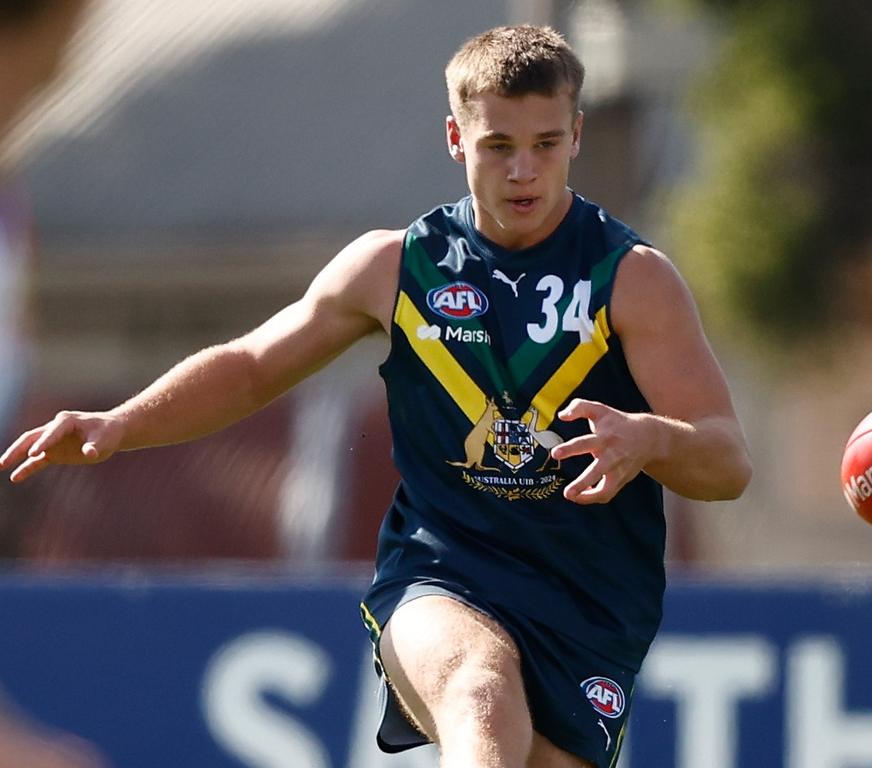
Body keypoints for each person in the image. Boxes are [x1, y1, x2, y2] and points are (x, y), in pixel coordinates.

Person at [1, 24, 752, 768]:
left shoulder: (632, 278)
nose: (523, 170)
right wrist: (121, 422)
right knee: (480, 697)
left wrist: (655, 440)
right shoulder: (393, 266)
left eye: (545, 145)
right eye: (498, 146)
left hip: (589, 602)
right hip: (441, 575)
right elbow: (253, 364)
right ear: (456, 138)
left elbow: (725, 462)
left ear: (576, 136)